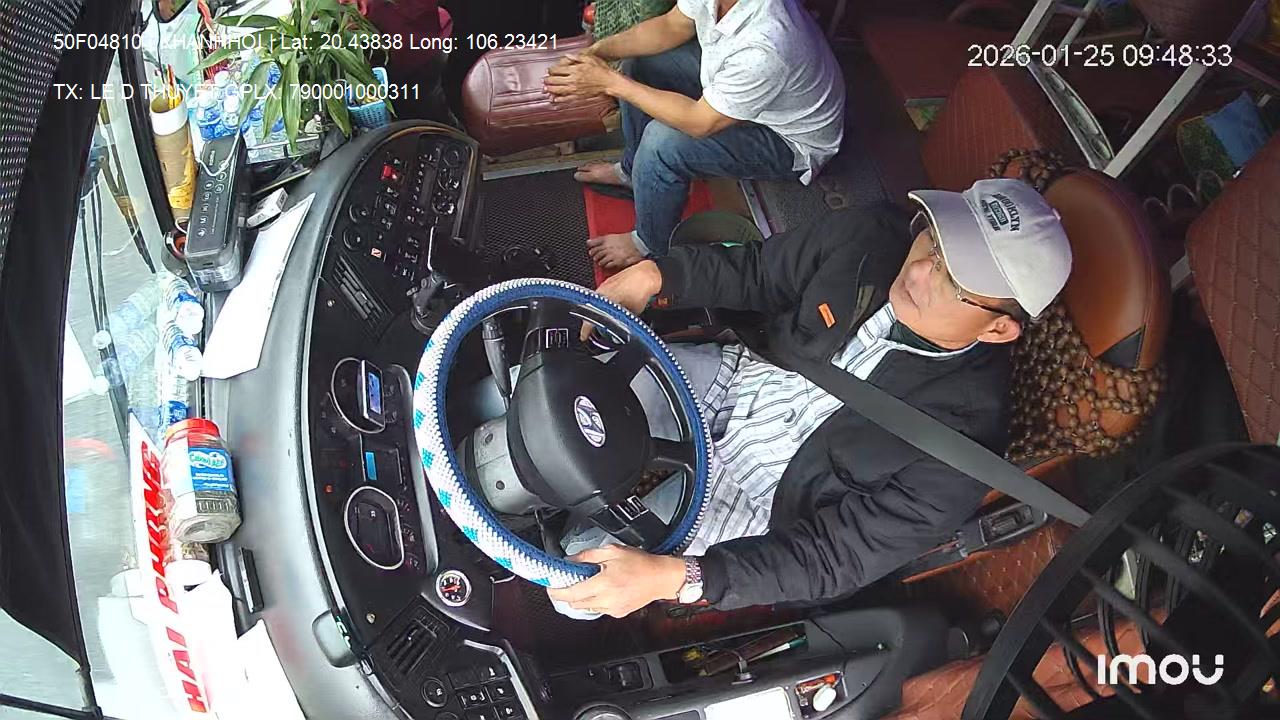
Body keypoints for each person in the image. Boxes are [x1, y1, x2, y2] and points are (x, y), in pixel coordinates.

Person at [547, 178, 1074, 618]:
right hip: (738, 378)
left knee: (575, 581)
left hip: (764, 496)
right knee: (556, 386)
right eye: (934, 244)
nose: (918, 272)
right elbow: (759, 272)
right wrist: (655, 275)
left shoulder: (963, 441)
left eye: (954, 281)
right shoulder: (872, 237)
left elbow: (835, 557)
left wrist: (676, 578)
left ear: (998, 328)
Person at [543, 0, 845, 270]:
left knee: (662, 143)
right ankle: (632, 172)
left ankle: (649, 243)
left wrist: (609, 82)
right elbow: (671, 25)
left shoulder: (767, 44)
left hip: (788, 140)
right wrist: (597, 53)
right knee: (639, 65)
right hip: (747, 98)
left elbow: (699, 122)